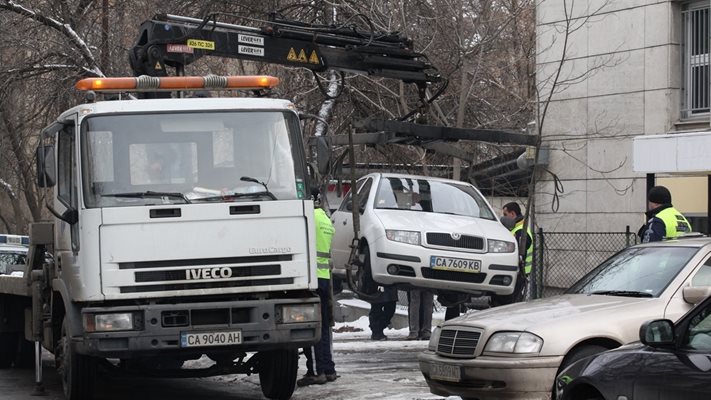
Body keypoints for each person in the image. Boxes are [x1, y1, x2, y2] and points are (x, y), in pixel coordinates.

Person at [297, 188, 338, 386]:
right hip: (324, 278)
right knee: (324, 327)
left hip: (311, 279)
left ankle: (316, 370)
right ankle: (329, 369)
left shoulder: (309, 217)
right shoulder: (325, 219)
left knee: (311, 327)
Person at [502, 202, 533, 302]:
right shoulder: (516, 229)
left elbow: (519, 253)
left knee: (510, 303)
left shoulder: (522, 232)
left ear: (512, 214)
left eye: (505, 215)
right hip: (516, 273)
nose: (504, 218)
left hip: (519, 274)